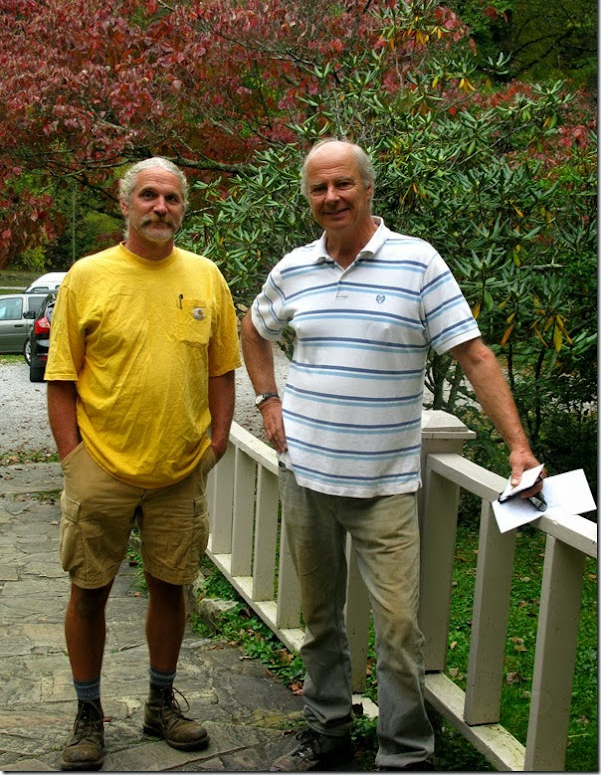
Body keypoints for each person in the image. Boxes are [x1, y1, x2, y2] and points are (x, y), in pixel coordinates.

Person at [240, 139, 543, 772]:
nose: (331, 198)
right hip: (307, 479)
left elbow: (474, 354)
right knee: (320, 617)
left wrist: (518, 447)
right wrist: (268, 402)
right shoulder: (293, 268)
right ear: (309, 196)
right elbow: (255, 326)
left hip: (385, 486)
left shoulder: (417, 262)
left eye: (343, 185)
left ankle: (404, 753)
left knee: (399, 629)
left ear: (368, 187)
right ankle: (327, 731)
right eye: (319, 188)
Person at [45, 157, 241, 771]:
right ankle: (87, 714)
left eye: (173, 198)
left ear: (184, 207)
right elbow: (61, 378)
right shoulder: (87, 275)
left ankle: (161, 703)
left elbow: (221, 370)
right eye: (149, 196)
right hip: (99, 466)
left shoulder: (207, 277)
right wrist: (72, 458)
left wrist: (216, 443)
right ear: (126, 204)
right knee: (89, 591)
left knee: (171, 585)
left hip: (180, 470)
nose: (161, 207)